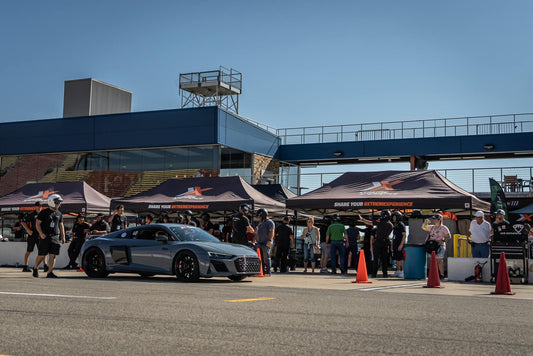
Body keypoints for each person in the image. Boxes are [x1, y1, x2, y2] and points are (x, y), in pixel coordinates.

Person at [33, 194, 66, 278]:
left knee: (53, 255)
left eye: (59, 203)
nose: (58, 204)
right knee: (42, 255)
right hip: (45, 237)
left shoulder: (59, 213)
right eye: (57, 202)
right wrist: (41, 233)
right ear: (51, 202)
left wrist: (63, 236)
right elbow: (37, 224)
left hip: (55, 237)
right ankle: (35, 268)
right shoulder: (44, 212)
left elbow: (61, 225)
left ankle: (50, 272)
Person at [20, 202, 48, 272]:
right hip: (32, 235)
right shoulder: (31, 214)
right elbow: (23, 222)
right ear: (35, 207)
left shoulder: (44, 214)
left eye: (40, 206)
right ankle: (25, 266)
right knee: (29, 251)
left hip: (41, 235)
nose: (39, 207)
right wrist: (28, 230)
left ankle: (45, 266)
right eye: (38, 206)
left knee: (43, 251)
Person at [422, 214, 451, 279]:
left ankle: (441, 274)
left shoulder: (444, 228)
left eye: (436, 219)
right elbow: (424, 228)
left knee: (439, 260)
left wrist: (443, 241)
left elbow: (448, 236)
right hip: (431, 245)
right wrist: (425, 222)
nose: (435, 221)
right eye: (434, 219)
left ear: (440, 220)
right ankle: (434, 273)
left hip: (439, 245)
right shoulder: (432, 227)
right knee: (432, 260)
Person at [371, 210, 394, 278]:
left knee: (376, 259)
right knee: (384, 259)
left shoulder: (380, 221)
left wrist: (363, 220)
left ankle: (374, 274)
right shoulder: (391, 225)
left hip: (378, 242)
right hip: (385, 242)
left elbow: (371, 223)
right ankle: (385, 274)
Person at [254, 208, 275, 276]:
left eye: (259, 216)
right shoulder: (260, 223)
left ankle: (268, 271)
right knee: (261, 257)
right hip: (259, 242)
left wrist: (270, 240)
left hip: (266, 242)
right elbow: (257, 232)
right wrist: (254, 240)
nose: (258, 218)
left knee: (266, 257)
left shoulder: (269, 222)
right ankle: (262, 270)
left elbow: (272, 231)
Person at [392, 211, 407, 278]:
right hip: (395, 243)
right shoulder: (395, 225)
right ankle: (398, 271)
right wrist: (392, 245)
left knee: (401, 258)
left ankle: (402, 271)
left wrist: (401, 244)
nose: (393, 218)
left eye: (395, 217)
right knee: (397, 258)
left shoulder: (401, 225)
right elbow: (393, 236)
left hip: (399, 243)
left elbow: (404, 235)